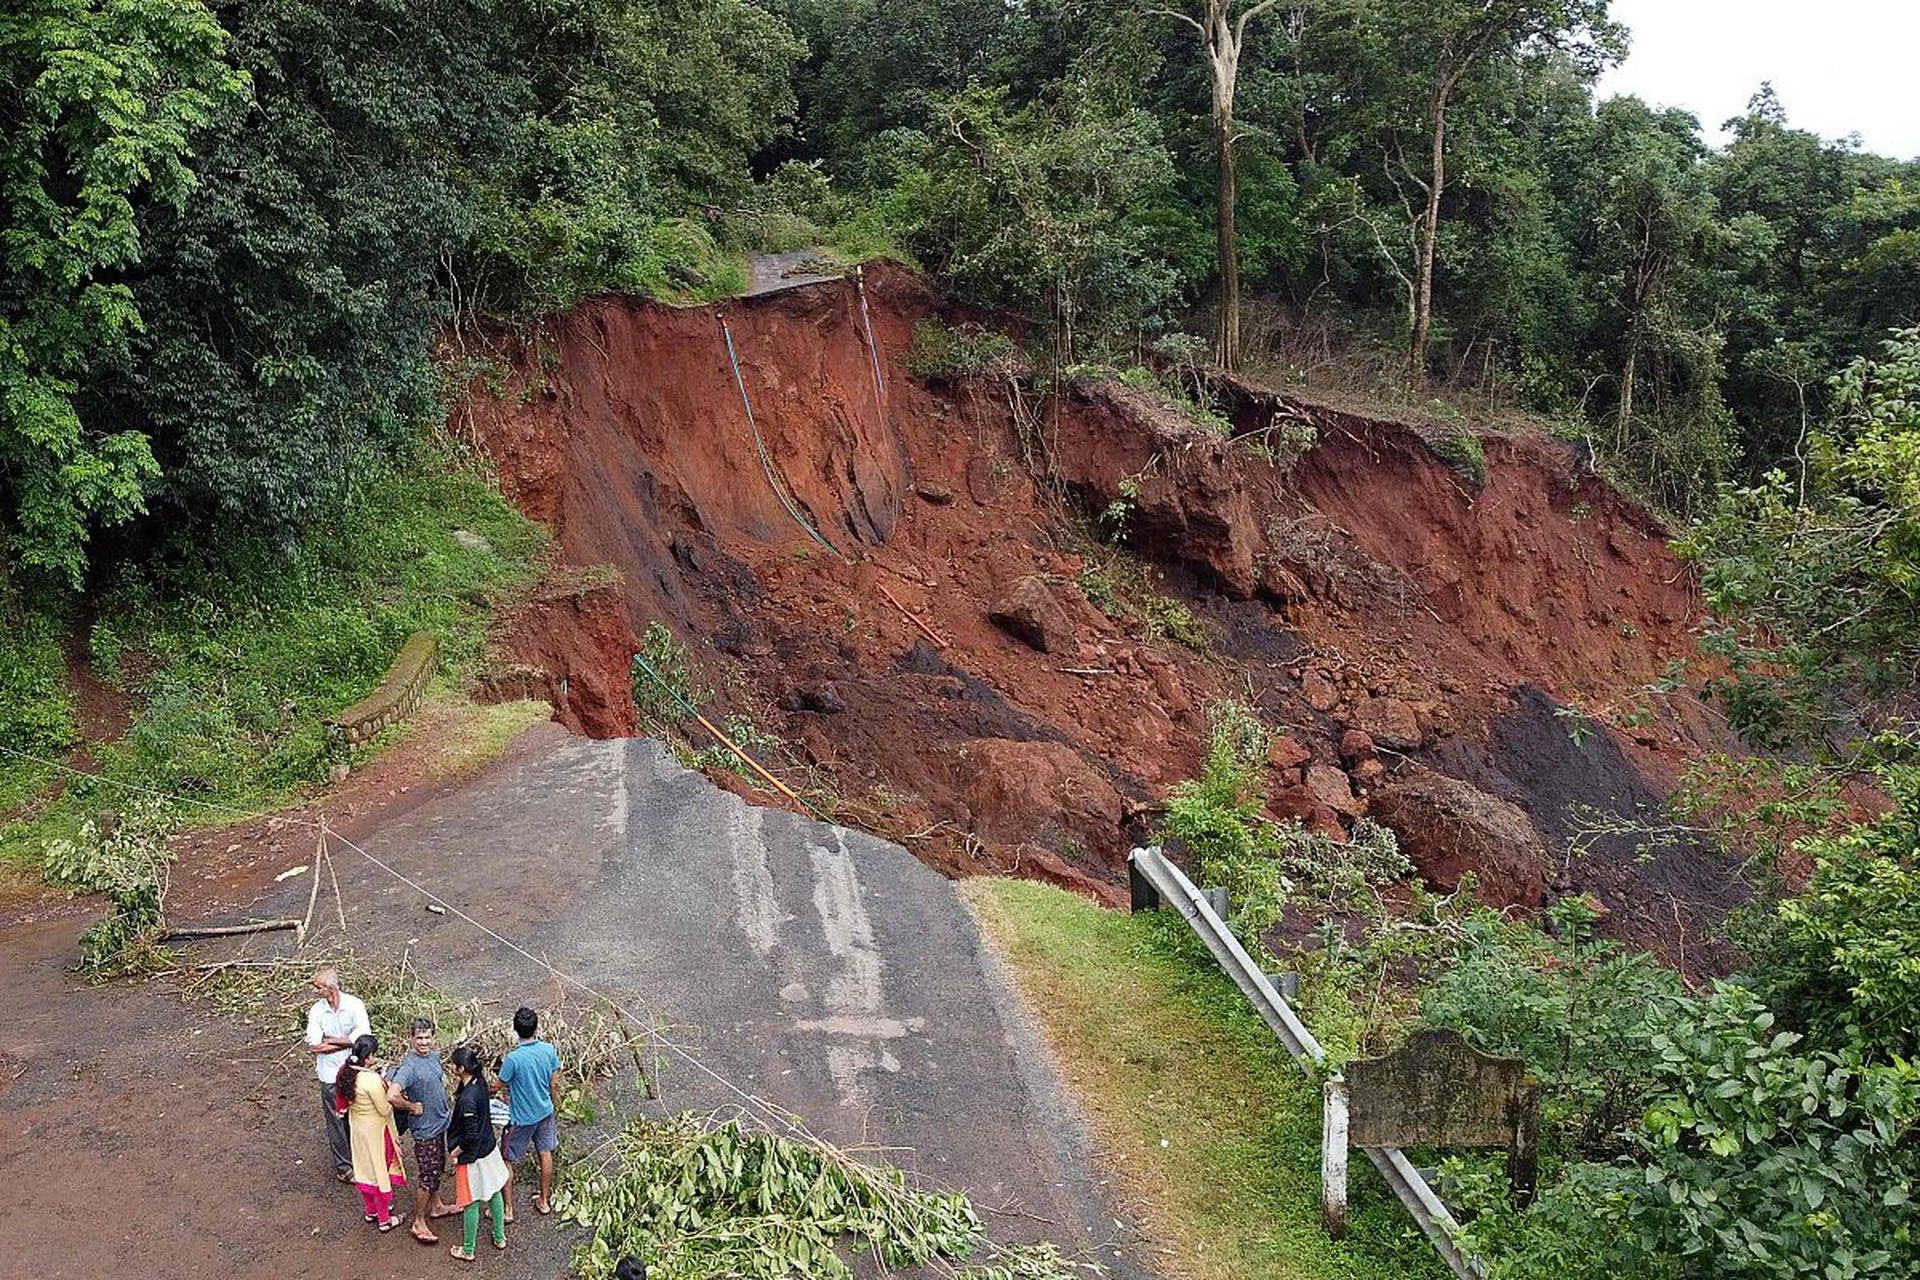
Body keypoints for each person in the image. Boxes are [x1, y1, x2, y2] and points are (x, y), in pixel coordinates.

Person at [388, 1016, 458, 1244]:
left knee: (437, 1167)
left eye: (427, 1037)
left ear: (433, 1038)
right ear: (411, 1038)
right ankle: (418, 1221)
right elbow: (392, 1095)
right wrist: (410, 1106)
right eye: (419, 1038)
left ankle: (436, 1206)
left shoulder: (434, 1056)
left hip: (439, 1125)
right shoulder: (409, 1067)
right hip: (425, 1131)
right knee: (427, 1176)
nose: (424, 1042)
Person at [496, 1005, 564, 1217]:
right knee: (545, 1152)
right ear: (536, 1028)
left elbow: (497, 1085)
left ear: (515, 1030)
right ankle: (544, 1201)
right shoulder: (548, 1050)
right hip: (545, 1112)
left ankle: (508, 1210)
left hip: (521, 1119)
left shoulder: (513, 1059)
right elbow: (554, 1082)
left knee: (506, 1159)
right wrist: (552, 1103)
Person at [335, 1034, 408, 1231]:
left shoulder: (345, 1072)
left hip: (357, 1128)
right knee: (379, 1170)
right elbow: (384, 1109)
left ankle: (371, 1211)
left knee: (364, 1169)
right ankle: (385, 1219)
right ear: (368, 1057)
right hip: (376, 1130)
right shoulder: (371, 1080)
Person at [304, 967, 370, 1182]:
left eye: (319, 987)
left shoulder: (354, 1005)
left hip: (353, 1071)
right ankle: (344, 1167)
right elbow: (314, 1045)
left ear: (331, 988)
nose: (316, 991)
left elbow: (363, 1037)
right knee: (336, 1120)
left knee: (358, 1114)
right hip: (330, 1074)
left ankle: (361, 1158)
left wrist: (330, 1040)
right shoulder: (317, 1010)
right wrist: (347, 1041)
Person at [445, 1044, 510, 1262]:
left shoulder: (467, 1099)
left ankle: (468, 1250)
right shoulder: (480, 1083)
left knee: (470, 1202)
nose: (451, 1067)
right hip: (489, 1149)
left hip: (472, 1157)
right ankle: (500, 1237)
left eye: (453, 1065)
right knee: (493, 1192)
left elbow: (470, 1136)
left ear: (461, 1069)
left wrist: (455, 1153)